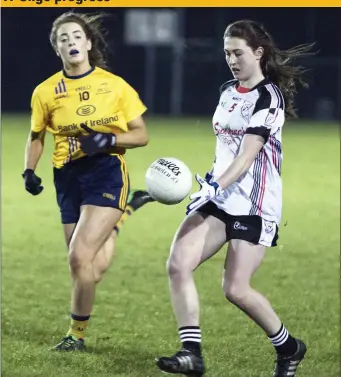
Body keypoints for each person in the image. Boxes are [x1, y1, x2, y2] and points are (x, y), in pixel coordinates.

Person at [156, 20, 315, 377]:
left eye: (238, 52)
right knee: (178, 263)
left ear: (258, 53)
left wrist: (213, 186)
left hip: (254, 204)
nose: (231, 59)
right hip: (220, 196)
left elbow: (246, 157)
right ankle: (191, 353)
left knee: (236, 288)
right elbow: (226, 151)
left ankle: (289, 348)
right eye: (227, 52)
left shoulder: (268, 96)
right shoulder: (228, 90)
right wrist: (209, 187)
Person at [22, 11, 154, 351]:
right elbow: (36, 135)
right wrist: (29, 170)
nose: (71, 42)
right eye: (63, 39)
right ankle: (121, 218)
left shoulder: (114, 85)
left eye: (76, 36)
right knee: (89, 270)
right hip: (66, 176)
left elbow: (141, 135)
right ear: (57, 49)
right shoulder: (46, 91)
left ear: (88, 43)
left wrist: (107, 141)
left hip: (106, 171)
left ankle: (75, 336)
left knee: (79, 257)